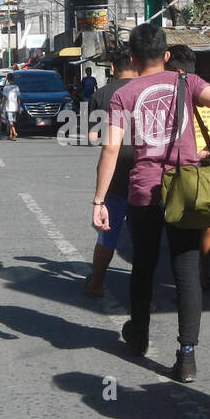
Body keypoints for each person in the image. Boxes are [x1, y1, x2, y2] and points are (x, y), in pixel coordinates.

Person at [93, 23, 210, 383]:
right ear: (167, 55)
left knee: (144, 263)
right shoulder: (187, 82)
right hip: (184, 191)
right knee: (186, 271)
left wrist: (99, 200)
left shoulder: (123, 94)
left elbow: (111, 148)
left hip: (144, 190)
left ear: (134, 58)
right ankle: (186, 356)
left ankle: (138, 334)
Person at [164, 45, 210, 290]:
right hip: (208, 167)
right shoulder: (209, 93)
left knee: (180, 226)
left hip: (184, 169)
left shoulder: (177, 94)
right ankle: (203, 274)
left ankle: (188, 280)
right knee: (206, 224)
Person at [84, 46, 137, 298]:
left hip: (114, 176)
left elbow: (92, 137)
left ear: (112, 68)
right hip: (147, 176)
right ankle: (145, 296)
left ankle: (96, 284)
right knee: (143, 239)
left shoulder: (102, 94)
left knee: (108, 233)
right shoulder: (149, 91)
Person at [3, 73, 21, 141]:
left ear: (7, 79)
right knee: (12, 121)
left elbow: (4, 99)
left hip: (9, 107)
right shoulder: (16, 87)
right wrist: (19, 107)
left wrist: (2, 107)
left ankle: (15, 132)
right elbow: (18, 98)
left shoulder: (6, 88)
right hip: (15, 107)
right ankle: (11, 135)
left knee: (10, 121)